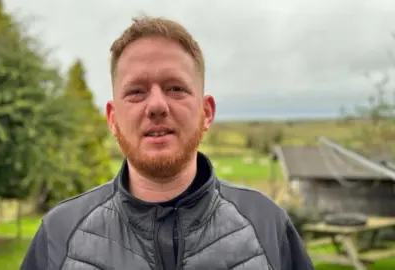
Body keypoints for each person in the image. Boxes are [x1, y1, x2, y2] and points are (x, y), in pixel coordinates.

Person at [20, 15, 315, 270]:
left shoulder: (266, 225)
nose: (157, 105)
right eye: (136, 91)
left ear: (206, 112)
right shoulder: (59, 235)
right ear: (112, 118)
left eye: (175, 88)